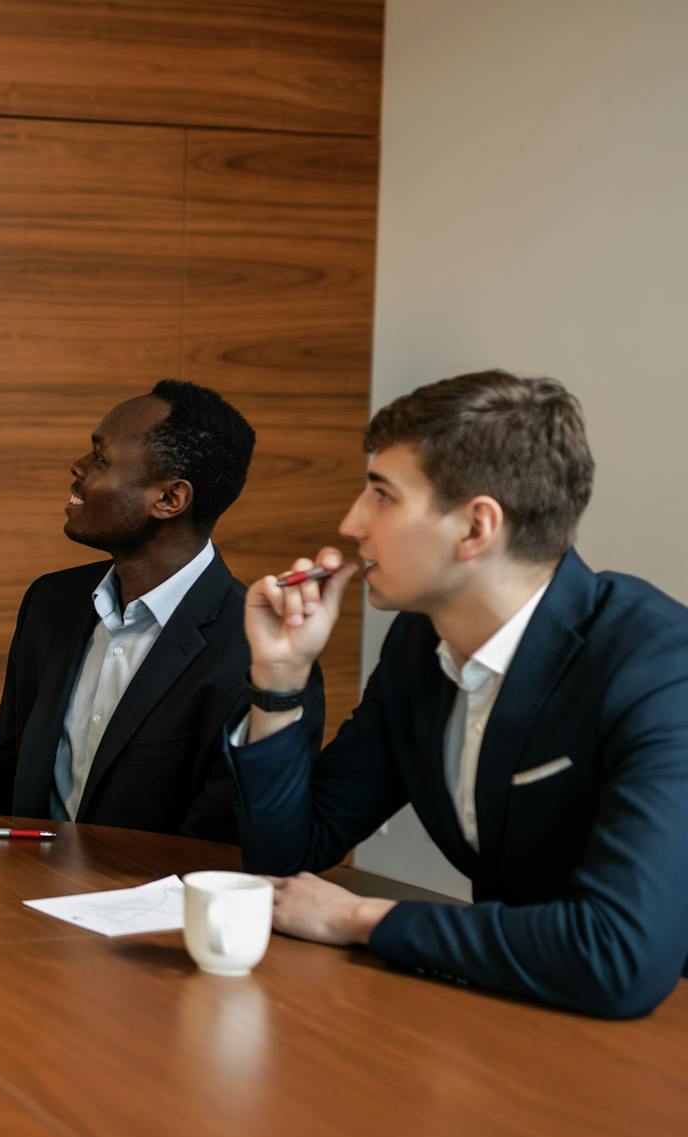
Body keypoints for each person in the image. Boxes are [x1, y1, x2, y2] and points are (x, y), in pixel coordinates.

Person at [229, 370, 688, 1018]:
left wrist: (363, 918)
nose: (351, 523)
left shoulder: (661, 667)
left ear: (476, 529)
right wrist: (279, 678)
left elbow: (619, 954)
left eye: (382, 496)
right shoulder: (417, 648)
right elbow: (286, 856)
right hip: (525, 1012)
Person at [0, 380, 324, 841]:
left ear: (170, 499)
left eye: (99, 457)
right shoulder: (50, 603)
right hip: (25, 894)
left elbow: (226, 847)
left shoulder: (258, 653)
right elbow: (3, 782)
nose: (77, 467)